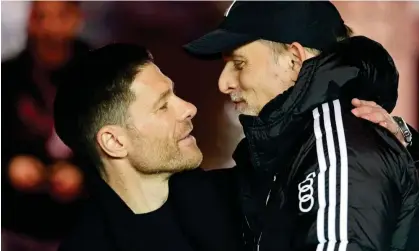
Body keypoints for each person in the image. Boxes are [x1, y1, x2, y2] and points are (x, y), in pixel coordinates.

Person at [183, 1, 419, 251]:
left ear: (294, 60)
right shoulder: (289, 147)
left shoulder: (338, 144)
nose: (224, 83)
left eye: (240, 64)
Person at [54, 44, 244, 251]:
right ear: (114, 142)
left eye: (174, 94)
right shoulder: (88, 244)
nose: (189, 108)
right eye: (162, 106)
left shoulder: (236, 198)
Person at [1, 0, 89, 243]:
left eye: (61, 16)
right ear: (29, 20)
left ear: (77, 18)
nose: (51, 27)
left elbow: (125, 145)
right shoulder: (8, 76)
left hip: (84, 220)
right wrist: (10, 165)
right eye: (41, 17)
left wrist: (85, 172)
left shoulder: (102, 75)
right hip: (20, 220)